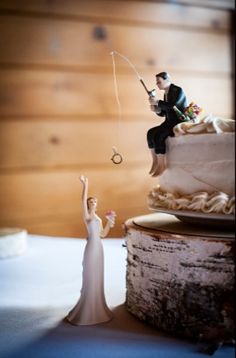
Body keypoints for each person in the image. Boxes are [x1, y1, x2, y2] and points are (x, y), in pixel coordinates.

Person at [66, 175, 116, 325]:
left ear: (97, 204)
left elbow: (103, 234)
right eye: (90, 201)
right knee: (90, 275)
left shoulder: (99, 219)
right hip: (91, 248)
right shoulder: (87, 216)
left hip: (99, 247)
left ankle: (98, 308)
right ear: (88, 205)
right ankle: (86, 310)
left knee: (98, 276)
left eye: (94, 201)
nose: (93, 202)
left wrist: (109, 222)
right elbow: (82, 200)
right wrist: (85, 185)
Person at [147, 72, 187, 176]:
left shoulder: (177, 90)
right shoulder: (166, 93)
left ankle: (162, 164)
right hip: (169, 121)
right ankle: (155, 161)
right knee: (150, 133)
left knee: (159, 135)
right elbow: (165, 112)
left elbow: (173, 106)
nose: (157, 84)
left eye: (159, 81)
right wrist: (156, 109)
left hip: (178, 122)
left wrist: (158, 102)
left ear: (167, 80)